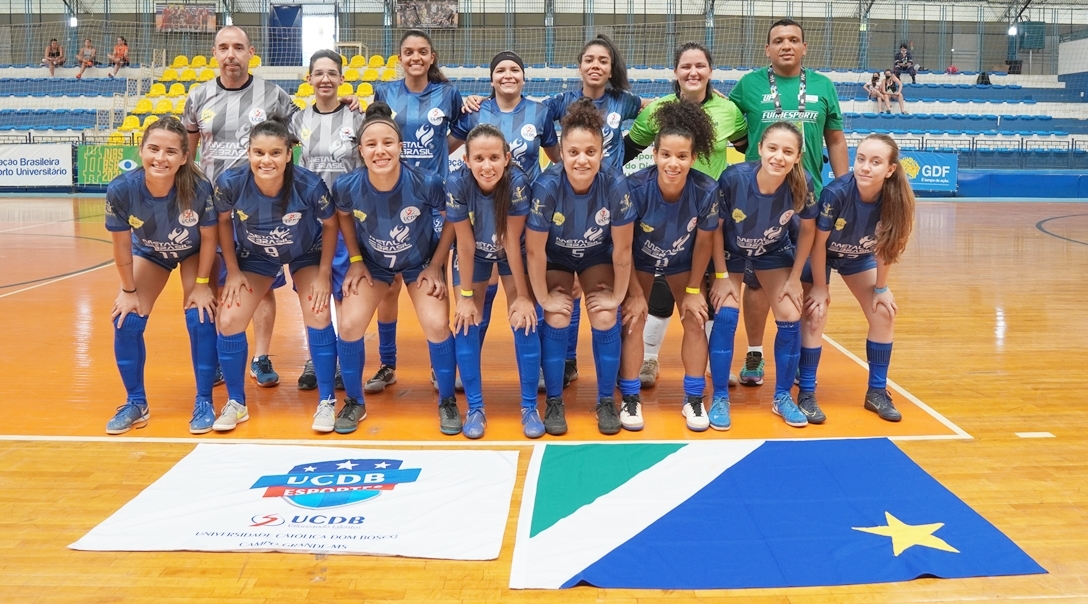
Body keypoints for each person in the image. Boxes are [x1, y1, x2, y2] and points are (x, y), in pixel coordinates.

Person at [727, 18, 848, 388]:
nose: (786, 45)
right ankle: (755, 352)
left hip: (807, 199)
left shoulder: (824, 86)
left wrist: (843, 187)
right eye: (778, 40)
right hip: (761, 203)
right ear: (767, 49)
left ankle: (798, 361)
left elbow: (836, 141)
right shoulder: (748, 85)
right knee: (758, 284)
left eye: (793, 40)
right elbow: (731, 132)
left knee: (809, 280)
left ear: (804, 47)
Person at [332, 103, 464, 436]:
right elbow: (343, 216)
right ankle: (354, 402)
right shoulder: (347, 186)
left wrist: (436, 265)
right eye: (372, 145)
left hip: (420, 262)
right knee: (348, 324)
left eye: (388, 143)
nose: (380, 151)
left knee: (436, 323)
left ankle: (447, 399)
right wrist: (356, 260)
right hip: (374, 264)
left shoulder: (426, 182)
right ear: (361, 151)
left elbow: (451, 218)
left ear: (401, 148)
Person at [623, 41, 749, 389]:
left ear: (710, 71)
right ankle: (649, 359)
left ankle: (709, 361)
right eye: (686, 66)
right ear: (675, 73)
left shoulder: (729, 110)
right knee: (661, 289)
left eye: (700, 66)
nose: (693, 72)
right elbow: (628, 148)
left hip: (711, 214)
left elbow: (744, 143)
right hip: (666, 213)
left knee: (709, 290)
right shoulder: (657, 110)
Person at [183, 26, 300, 390]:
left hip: (259, 211)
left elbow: (305, 128)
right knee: (215, 283)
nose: (230, 54)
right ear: (214, 53)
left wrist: (344, 106)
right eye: (223, 48)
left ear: (251, 52)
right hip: (212, 209)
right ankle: (220, 356)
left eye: (238, 47)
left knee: (263, 287)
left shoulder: (274, 94)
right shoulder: (198, 95)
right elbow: (188, 153)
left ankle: (261, 357)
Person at [211, 116, 339, 432]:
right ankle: (237, 403)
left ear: (288, 155)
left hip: (305, 251)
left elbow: (333, 224)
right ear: (249, 153)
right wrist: (234, 270)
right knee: (228, 319)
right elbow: (223, 222)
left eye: (275, 153)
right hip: (254, 254)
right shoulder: (229, 183)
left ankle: (327, 400)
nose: (266, 160)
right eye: (258, 153)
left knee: (319, 313)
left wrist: (324, 273)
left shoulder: (310, 185)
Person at [525, 97, 635, 436]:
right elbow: (534, 251)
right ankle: (554, 400)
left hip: (596, 256)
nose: (582, 159)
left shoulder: (615, 184)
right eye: (573, 152)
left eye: (590, 151)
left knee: (604, 315)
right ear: (560, 150)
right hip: (556, 256)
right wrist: (543, 298)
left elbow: (623, 247)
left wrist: (618, 295)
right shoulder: (547, 186)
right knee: (558, 314)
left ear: (602, 151)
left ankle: (605, 400)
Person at [365, 29, 465, 395]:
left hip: (432, 203)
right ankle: (387, 363)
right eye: (409, 52)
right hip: (389, 201)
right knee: (389, 286)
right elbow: (372, 132)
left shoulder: (448, 94)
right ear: (400, 58)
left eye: (422, 52)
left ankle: (442, 368)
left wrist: (440, 148)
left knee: (436, 280)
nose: (415, 57)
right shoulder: (386, 93)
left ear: (432, 56)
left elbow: (460, 132)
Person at [104, 116, 219, 435]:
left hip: (193, 253)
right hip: (152, 253)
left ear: (185, 157)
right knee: (126, 318)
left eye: (170, 151)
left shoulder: (198, 187)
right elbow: (122, 247)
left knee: (201, 314)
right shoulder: (122, 189)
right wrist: (128, 291)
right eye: (153, 149)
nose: (160, 158)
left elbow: (210, 239)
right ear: (141, 150)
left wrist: (201, 285)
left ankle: (204, 401)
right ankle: (136, 403)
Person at [449, 50, 559, 376]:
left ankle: (538, 366)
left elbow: (557, 160)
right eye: (500, 70)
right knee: (482, 284)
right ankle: (465, 365)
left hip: (526, 216)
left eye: (515, 70)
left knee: (526, 291)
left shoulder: (540, 113)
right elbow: (446, 148)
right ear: (491, 78)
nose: (508, 75)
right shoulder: (475, 110)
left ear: (525, 77)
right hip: (480, 217)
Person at [709, 122, 817, 430]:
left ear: (797, 156)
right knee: (726, 313)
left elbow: (808, 230)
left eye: (787, 151)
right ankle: (719, 397)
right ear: (759, 149)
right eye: (772, 148)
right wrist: (719, 275)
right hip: (730, 254)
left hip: (772, 252)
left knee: (790, 312)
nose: (778, 157)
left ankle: (782, 396)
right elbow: (715, 229)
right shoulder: (733, 178)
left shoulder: (802, 183)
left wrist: (796, 276)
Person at [618, 99, 719, 432]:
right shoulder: (634, 188)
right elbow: (624, 246)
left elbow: (704, 241)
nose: (673, 163)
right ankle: (630, 398)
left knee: (694, 317)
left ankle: (693, 398)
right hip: (641, 259)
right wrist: (633, 292)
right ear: (655, 154)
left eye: (682, 156)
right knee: (634, 317)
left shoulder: (705, 190)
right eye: (666, 155)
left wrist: (693, 290)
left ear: (693, 157)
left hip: (682, 262)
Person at [800, 134, 915, 423]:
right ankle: (807, 392)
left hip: (857, 257)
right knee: (815, 314)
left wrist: (881, 288)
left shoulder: (896, 200)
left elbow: (886, 248)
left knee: (883, 314)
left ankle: (876, 392)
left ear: (890, 169)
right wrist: (819, 287)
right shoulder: (836, 193)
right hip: (821, 255)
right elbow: (816, 244)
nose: (865, 167)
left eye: (875, 162)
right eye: (861, 159)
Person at [448, 124, 541, 438]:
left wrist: (524, 296)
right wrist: (463, 295)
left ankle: (529, 407)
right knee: (466, 319)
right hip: (474, 252)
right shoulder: (457, 183)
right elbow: (464, 244)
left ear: (507, 158)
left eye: (493, 158)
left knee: (524, 317)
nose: (486, 166)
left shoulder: (517, 183)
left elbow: (512, 242)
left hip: (510, 252)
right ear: (467, 160)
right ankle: (475, 408)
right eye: (479, 159)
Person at [290, 49, 363, 394]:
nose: (325, 79)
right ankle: (317, 358)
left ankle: (343, 361)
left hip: (349, 219)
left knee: (344, 293)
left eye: (332, 73)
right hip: (310, 222)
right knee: (314, 297)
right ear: (309, 79)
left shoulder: (357, 118)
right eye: (318, 73)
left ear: (341, 79)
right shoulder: (296, 120)